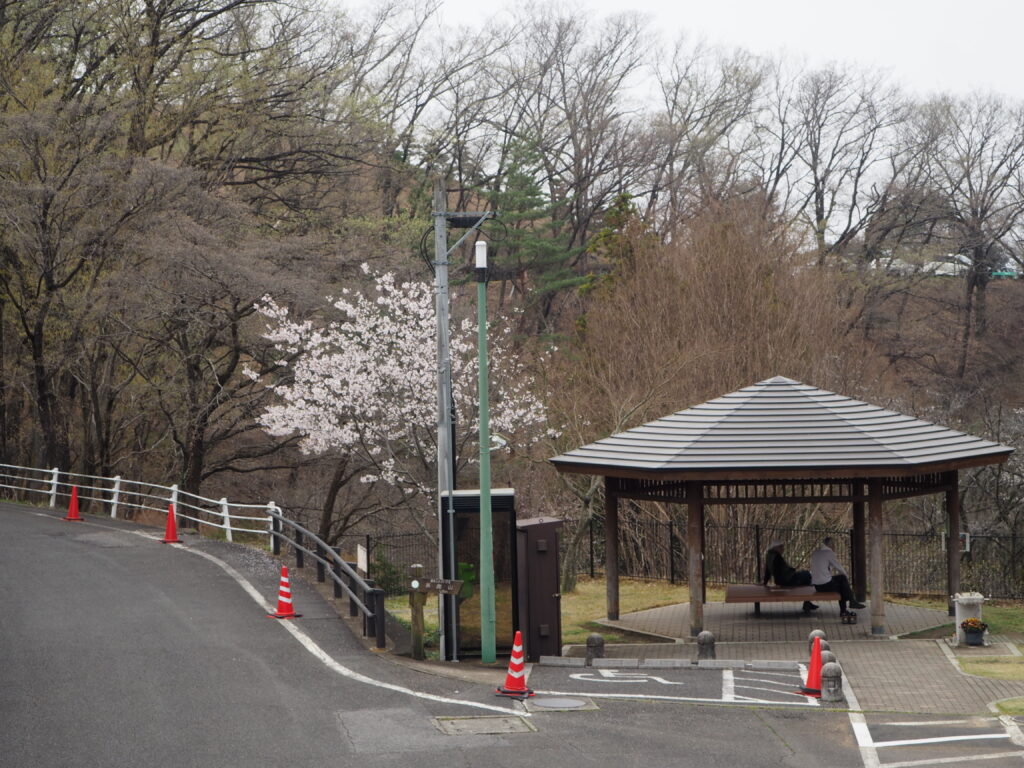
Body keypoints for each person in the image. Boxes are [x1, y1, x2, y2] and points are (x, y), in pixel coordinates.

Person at [810, 536, 866, 618]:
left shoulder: (816, 553)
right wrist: (846, 578)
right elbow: (839, 567)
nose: (835, 546)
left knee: (842, 583)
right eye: (834, 544)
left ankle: (848, 606)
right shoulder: (829, 553)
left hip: (817, 586)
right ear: (831, 545)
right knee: (842, 582)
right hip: (824, 585)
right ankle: (849, 605)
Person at [764, 540, 817, 612]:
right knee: (807, 575)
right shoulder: (777, 557)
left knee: (806, 578)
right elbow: (778, 571)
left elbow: (768, 570)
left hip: (786, 579)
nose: (783, 549)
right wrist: (779, 583)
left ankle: (807, 603)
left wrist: (765, 582)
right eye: (781, 547)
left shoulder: (770, 556)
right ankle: (807, 603)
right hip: (788, 580)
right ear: (776, 548)